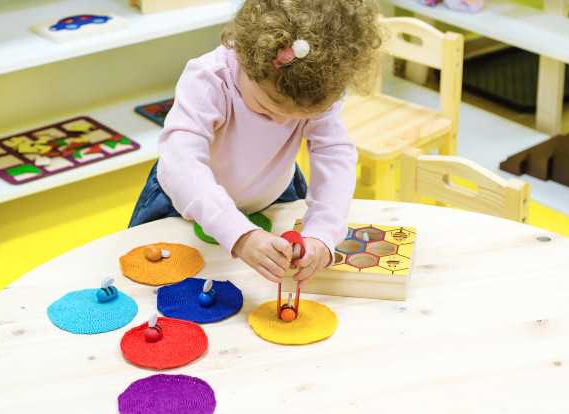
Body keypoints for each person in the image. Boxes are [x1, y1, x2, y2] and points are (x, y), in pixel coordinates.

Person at [129, 0, 382, 286]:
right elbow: (181, 165)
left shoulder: (318, 89)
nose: (281, 122)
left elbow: (334, 154)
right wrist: (240, 235)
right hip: (184, 200)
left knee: (261, 290)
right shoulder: (209, 78)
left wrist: (323, 233)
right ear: (245, 58)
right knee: (156, 286)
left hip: (274, 195)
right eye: (266, 108)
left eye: (299, 118)